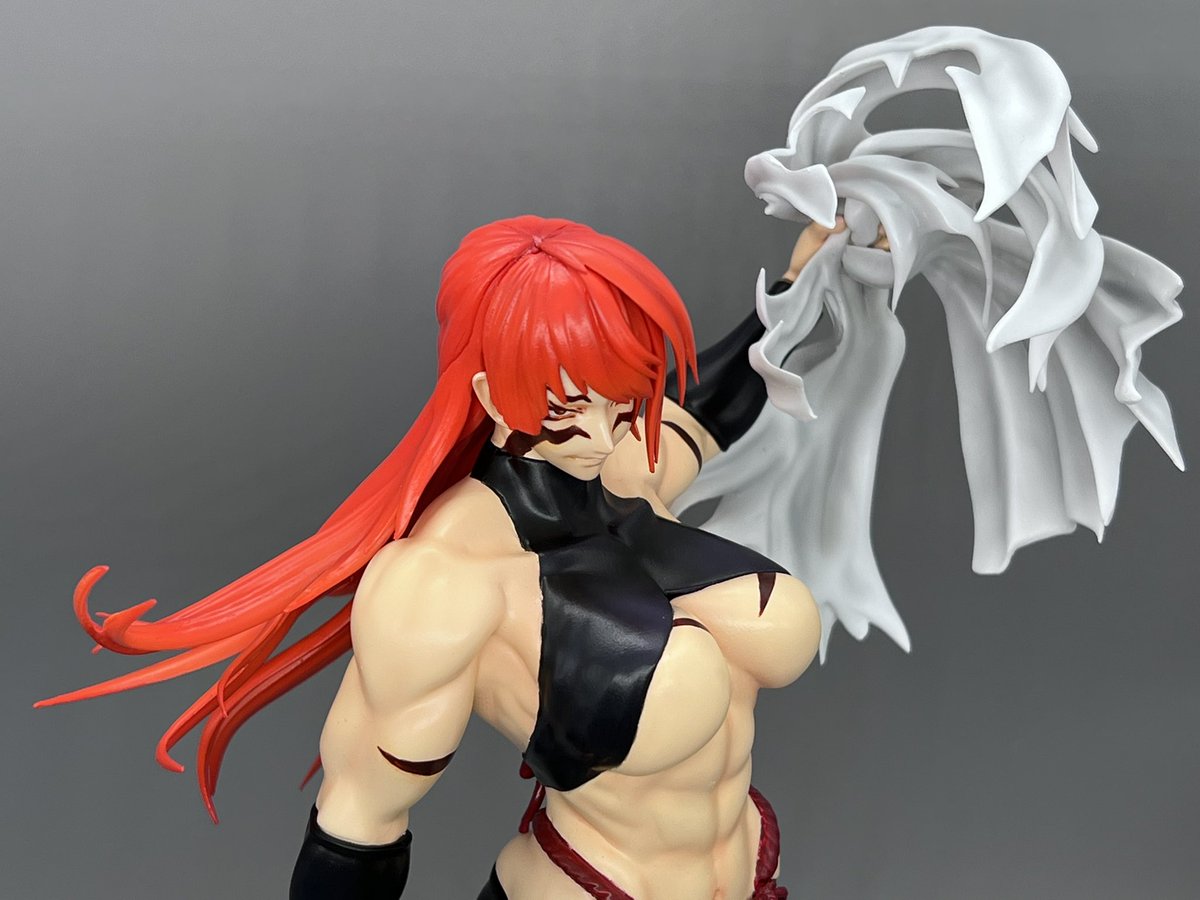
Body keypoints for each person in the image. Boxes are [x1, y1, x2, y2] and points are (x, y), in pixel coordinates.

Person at [41, 214, 841, 899]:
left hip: (750, 872)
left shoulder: (629, 467)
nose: (604, 434)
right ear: (493, 395)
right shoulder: (442, 582)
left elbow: (716, 404)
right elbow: (359, 820)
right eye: (569, 407)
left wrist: (805, 280)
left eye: (622, 396)